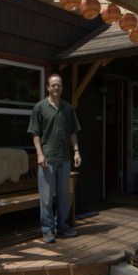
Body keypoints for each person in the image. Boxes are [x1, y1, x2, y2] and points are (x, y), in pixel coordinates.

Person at [28, 73, 81, 243]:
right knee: (46, 197)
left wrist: (76, 151)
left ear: (62, 87)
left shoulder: (67, 108)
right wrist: (39, 154)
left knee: (64, 195)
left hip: (65, 159)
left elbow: (72, 132)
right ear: (48, 87)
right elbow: (35, 133)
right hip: (47, 160)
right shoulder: (40, 107)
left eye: (59, 84)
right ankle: (47, 229)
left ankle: (62, 225)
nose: (56, 87)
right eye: (53, 85)